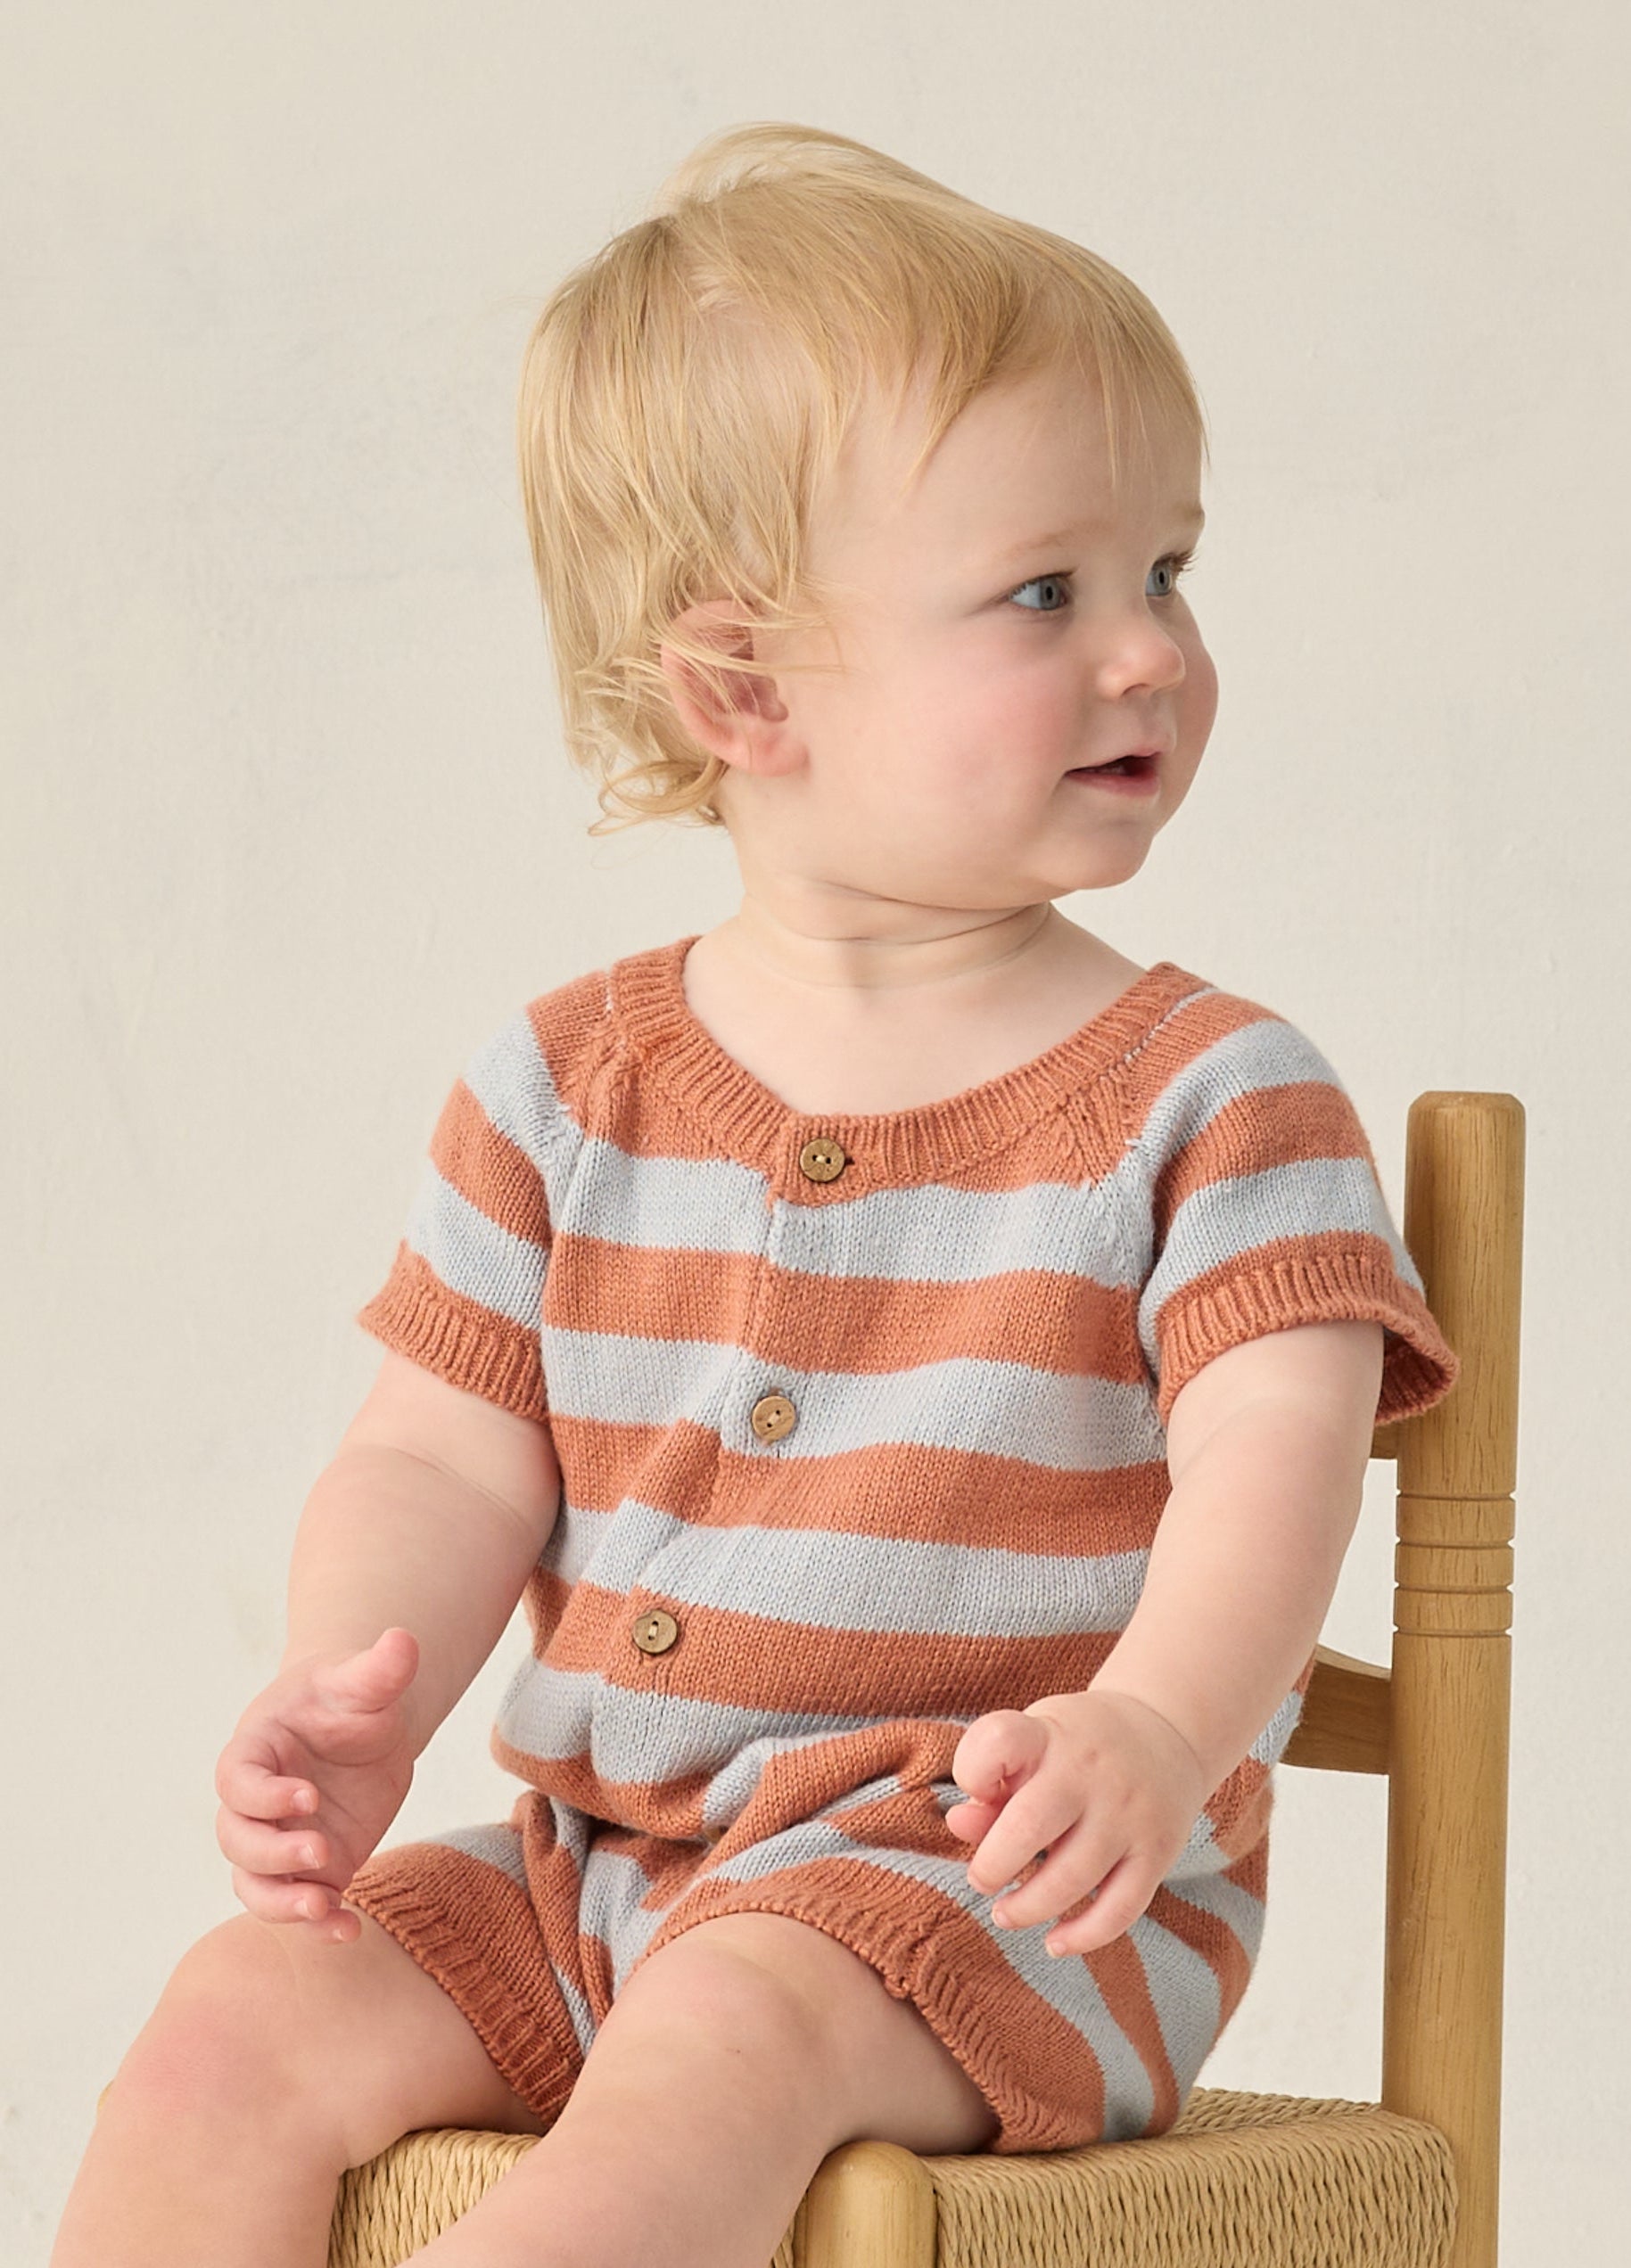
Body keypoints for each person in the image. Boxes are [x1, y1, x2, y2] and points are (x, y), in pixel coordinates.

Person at [53, 121, 1461, 2268]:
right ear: (741, 693)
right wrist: (353, 1689)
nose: (1150, 651)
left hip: (1007, 1892)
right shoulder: (568, 1078)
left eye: (1166, 571)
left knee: (724, 2025)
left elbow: (1277, 1458)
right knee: (236, 2015)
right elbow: (440, 1444)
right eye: (1045, 593)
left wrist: (1160, 1730)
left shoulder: (1213, 1095)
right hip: (595, 1871)